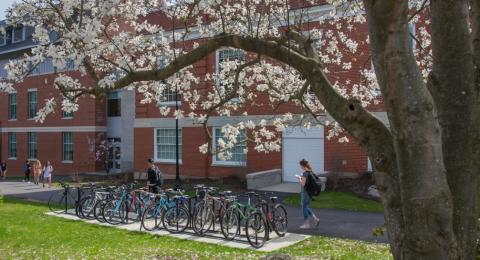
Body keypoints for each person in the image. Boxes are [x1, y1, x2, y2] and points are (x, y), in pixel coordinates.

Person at [297, 159, 320, 229]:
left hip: (305, 193)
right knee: (306, 207)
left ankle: (306, 224)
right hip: (310, 193)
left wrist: (299, 178)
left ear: (302, 165)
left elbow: (303, 184)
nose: (300, 167)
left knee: (304, 207)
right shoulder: (310, 172)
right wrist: (301, 178)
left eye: (300, 165)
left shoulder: (305, 173)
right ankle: (316, 219)